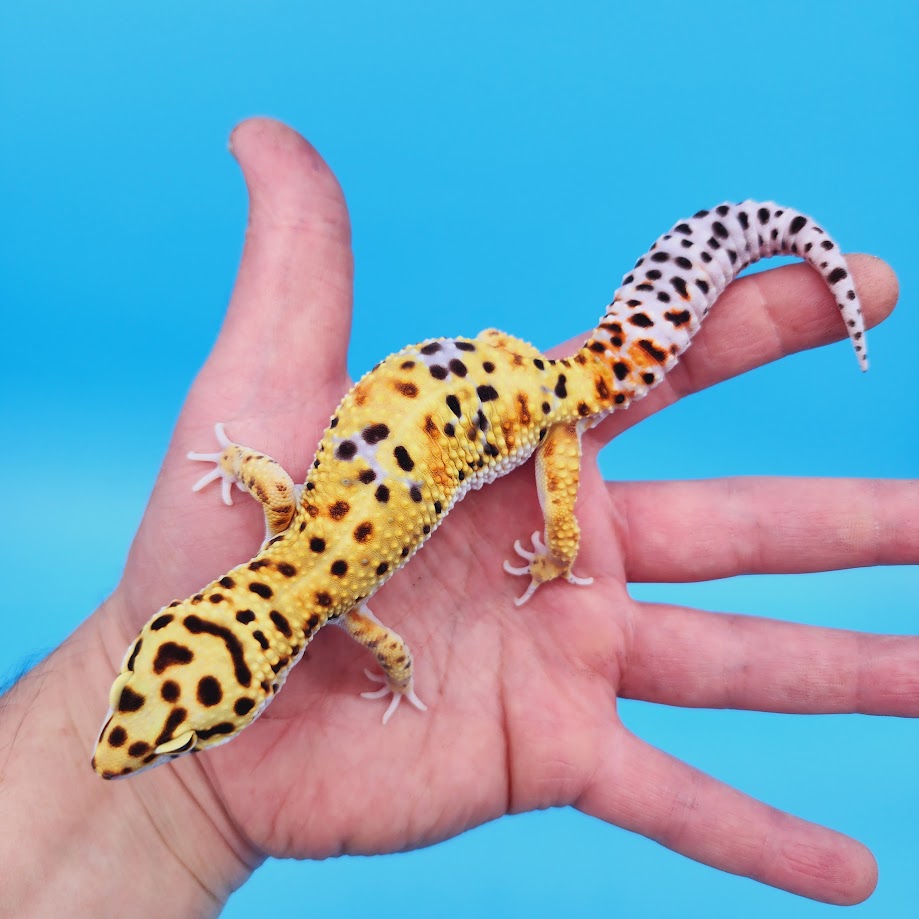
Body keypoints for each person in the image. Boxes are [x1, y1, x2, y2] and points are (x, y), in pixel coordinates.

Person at [1, 118, 913, 915]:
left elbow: (395, 653)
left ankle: (564, 543)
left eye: (133, 698)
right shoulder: (289, 535)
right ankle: (740, 252)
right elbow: (284, 504)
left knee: (566, 524)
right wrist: (240, 462)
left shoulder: (339, 602)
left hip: (537, 411)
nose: (121, 737)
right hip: (490, 370)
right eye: (160, 716)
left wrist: (559, 556)